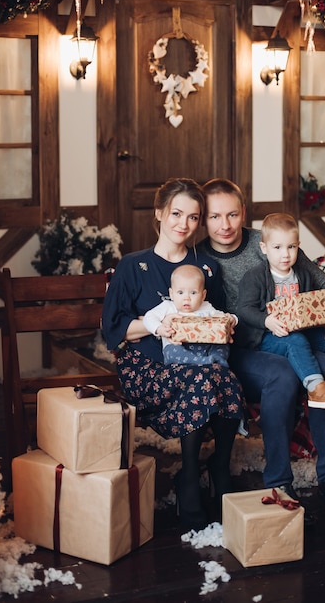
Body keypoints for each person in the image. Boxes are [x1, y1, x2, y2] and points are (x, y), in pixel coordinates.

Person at [197, 177, 325, 524]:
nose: (224, 225)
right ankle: (280, 483)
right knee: (282, 376)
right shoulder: (198, 256)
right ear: (203, 218)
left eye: (233, 215)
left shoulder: (269, 240)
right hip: (243, 350)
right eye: (213, 217)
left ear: (244, 213)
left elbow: (324, 284)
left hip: (292, 335)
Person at [102, 177, 245, 531]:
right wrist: (155, 326)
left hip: (201, 363)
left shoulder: (206, 268)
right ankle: (189, 479)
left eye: (194, 217)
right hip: (147, 365)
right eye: (176, 214)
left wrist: (223, 327)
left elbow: (220, 320)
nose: (184, 224)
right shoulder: (133, 266)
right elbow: (112, 328)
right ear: (159, 213)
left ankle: (220, 467)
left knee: (223, 377)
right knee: (204, 379)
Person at [237, 212, 325, 419]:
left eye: (291, 247)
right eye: (277, 248)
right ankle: (316, 387)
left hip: (302, 329)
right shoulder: (255, 277)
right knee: (294, 340)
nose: (285, 254)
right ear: (264, 249)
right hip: (270, 336)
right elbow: (244, 309)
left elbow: (317, 301)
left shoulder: (302, 273)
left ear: (298, 245)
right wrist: (266, 320)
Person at [142, 264, 237, 368]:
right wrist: (159, 328)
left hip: (205, 348)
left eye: (193, 292)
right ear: (171, 293)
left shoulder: (206, 307)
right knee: (172, 351)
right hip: (180, 346)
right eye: (180, 292)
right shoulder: (168, 307)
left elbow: (223, 318)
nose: (186, 298)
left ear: (203, 295)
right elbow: (148, 318)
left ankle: (215, 358)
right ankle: (204, 362)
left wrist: (232, 319)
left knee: (223, 344)